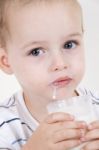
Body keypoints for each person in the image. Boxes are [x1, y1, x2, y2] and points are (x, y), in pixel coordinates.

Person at [0, 0, 99, 149]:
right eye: (36, 51)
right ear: (6, 61)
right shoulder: (5, 125)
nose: (60, 64)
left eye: (69, 44)